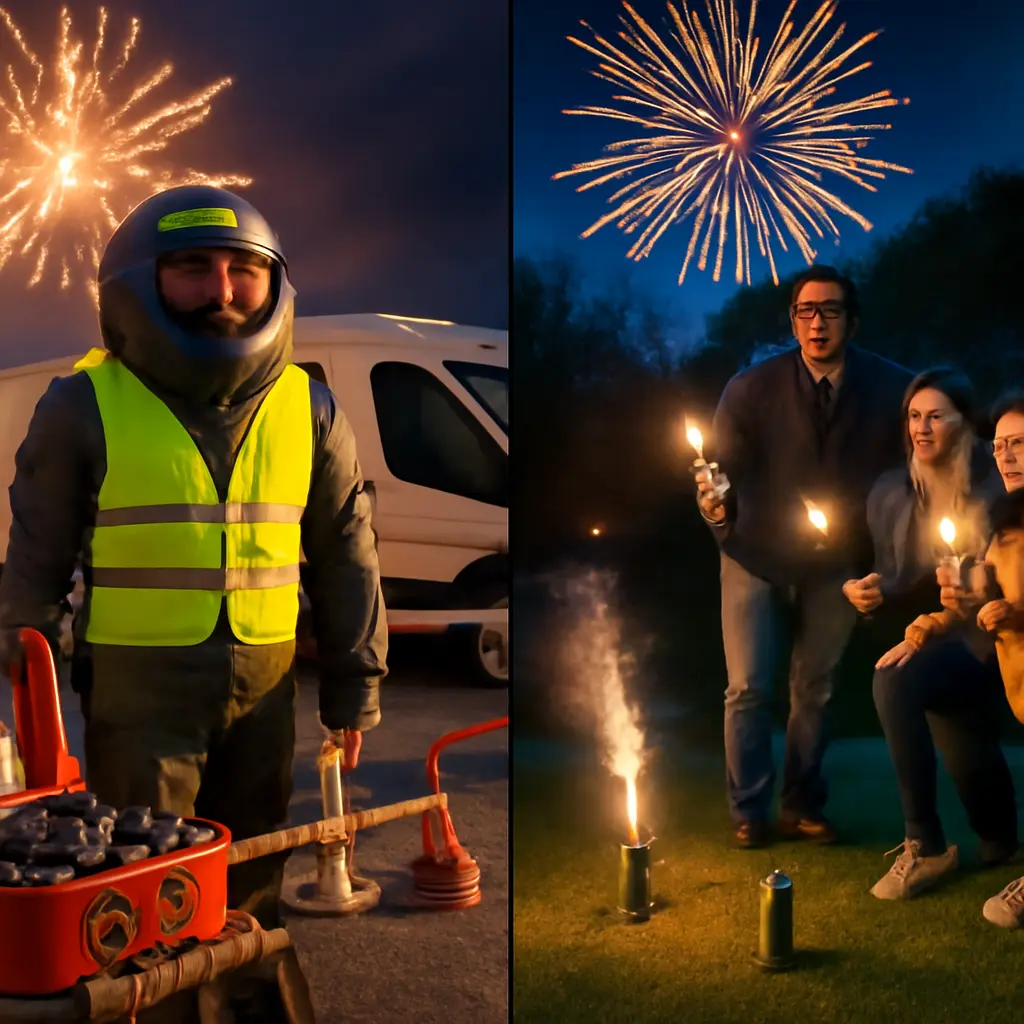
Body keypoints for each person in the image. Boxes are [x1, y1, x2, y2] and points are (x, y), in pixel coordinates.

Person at [0, 186, 388, 934]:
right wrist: (28, 677)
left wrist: (355, 688)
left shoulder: (309, 407)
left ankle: (240, 998)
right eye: (191, 267)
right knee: (145, 883)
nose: (222, 290)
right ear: (139, 281)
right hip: (138, 693)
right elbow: (35, 559)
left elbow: (347, 553)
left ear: (276, 281)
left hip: (266, 691)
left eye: (245, 269)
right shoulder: (83, 403)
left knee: (251, 875)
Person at [698, 264, 912, 848]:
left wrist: (883, 559)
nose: (817, 323)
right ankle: (749, 810)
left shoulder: (892, 390)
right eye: (805, 311)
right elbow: (718, 479)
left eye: (831, 310)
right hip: (754, 555)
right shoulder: (750, 388)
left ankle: (801, 805)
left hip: (837, 567)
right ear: (792, 320)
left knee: (815, 689)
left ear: (853, 319)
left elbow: (906, 476)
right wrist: (717, 514)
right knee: (746, 687)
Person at [847, 370, 1016, 900]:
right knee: (911, 686)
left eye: (936, 415)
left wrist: (974, 602)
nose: (922, 428)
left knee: (907, 685)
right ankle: (992, 837)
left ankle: (926, 842)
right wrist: (868, 590)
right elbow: (894, 575)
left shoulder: (999, 491)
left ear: (965, 425)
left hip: (989, 638)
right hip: (942, 631)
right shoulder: (892, 492)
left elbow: (998, 582)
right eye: (914, 416)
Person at [922, 390, 1024, 926]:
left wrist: (1015, 615)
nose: (1005, 456)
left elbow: (1012, 607)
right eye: (1000, 445)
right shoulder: (1005, 527)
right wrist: (941, 616)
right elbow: (983, 601)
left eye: (1019, 444)